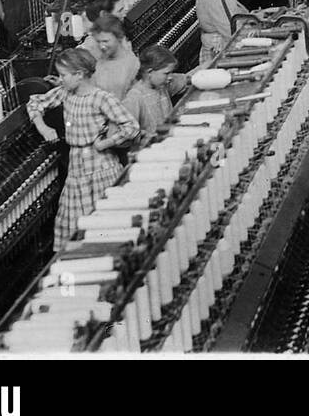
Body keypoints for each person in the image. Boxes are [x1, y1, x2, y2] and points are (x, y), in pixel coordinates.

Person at [26, 48, 141, 251]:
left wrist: (106, 143)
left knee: (105, 221)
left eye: (63, 75)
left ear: (79, 75)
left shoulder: (101, 98)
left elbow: (131, 127)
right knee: (72, 223)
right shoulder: (65, 92)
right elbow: (35, 102)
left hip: (101, 166)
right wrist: (43, 127)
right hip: (77, 165)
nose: (60, 79)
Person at [122, 45, 189, 146]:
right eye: (166, 73)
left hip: (172, 140)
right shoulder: (134, 98)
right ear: (149, 72)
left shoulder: (162, 85)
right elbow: (126, 134)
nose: (170, 77)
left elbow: (184, 80)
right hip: (154, 149)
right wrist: (144, 136)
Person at [78, 13, 140, 102]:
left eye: (105, 41)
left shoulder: (133, 65)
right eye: (98, 41)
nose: (102, 46)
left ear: (119, 37)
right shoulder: (100, 61)